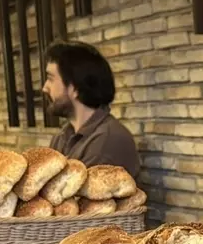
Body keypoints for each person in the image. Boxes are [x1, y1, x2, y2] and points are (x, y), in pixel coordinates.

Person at [42, 41, 140, 178]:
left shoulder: (107, 141)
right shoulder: (62, 136)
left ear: (75, 87)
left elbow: (70, 196)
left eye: (51, 79)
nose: (45, 88)